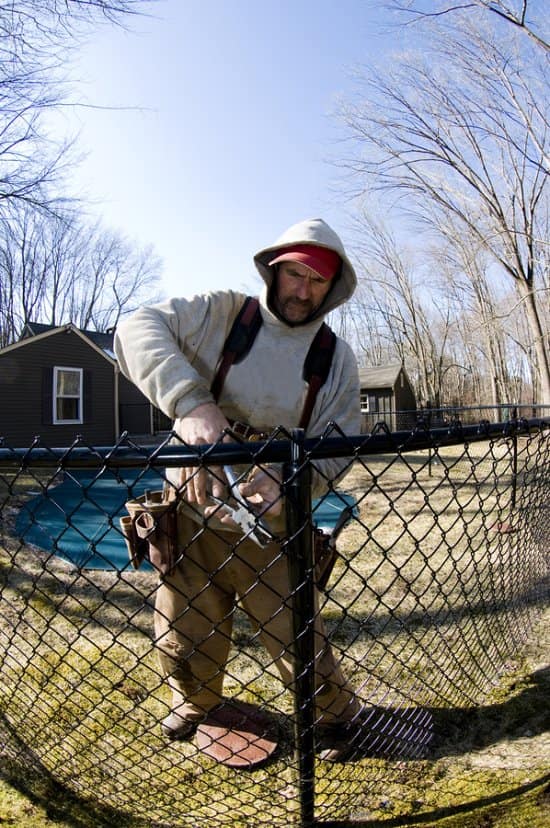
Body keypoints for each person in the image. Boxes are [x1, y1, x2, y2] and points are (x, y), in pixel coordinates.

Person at [114, 217, 366, 762]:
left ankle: (333, 716)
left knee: (295, 629)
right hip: (191, 506)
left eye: (317, 280)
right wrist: (191, 402)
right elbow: (135, 328)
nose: (302, 290)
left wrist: (292, 478)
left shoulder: (335, 357)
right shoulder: (222, 313)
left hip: (270, 524)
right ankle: (196, 703)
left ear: (334, 287)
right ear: (272, 271)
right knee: (182, 622)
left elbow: (342, 437)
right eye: (293, 274)